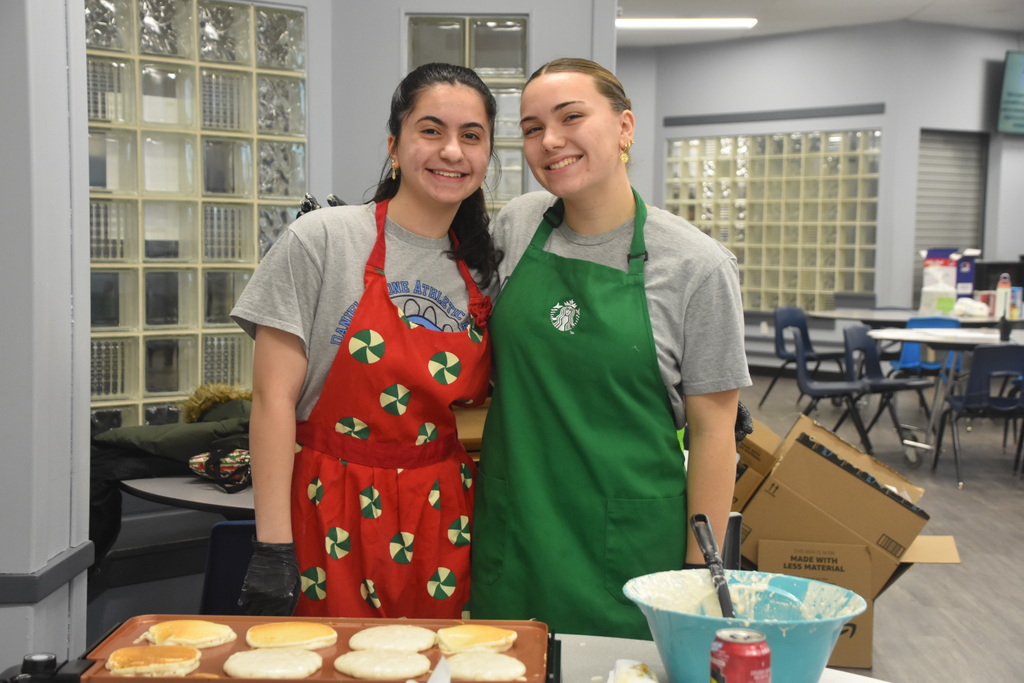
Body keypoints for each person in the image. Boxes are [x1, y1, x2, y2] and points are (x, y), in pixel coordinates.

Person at [470, 58, 752, 639]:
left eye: (571, 117)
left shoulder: (697, 267)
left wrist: (699, 574)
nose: (550, 141)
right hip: (516, 529)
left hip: (629, 547)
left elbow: (713, 434)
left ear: (625, 126)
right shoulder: (517, 226)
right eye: (532, 128)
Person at [230, 62, 500, 619]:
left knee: (437, 659)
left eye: (471, 136)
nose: (452, 151)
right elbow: (273, 400)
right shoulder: (324, 240)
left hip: (442, 515)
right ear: (394, 146)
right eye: (431, 130)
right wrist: (272, 547)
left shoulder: (484, 268)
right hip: (329, 505)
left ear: (487, 155)